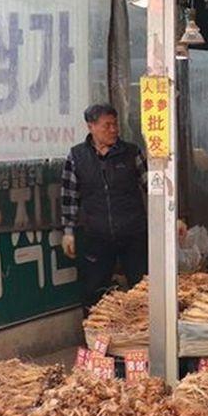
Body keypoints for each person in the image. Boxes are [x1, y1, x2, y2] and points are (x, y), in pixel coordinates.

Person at [61, 104, 149, 309]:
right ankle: (94, 329)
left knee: (143, 288)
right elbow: (69, 196)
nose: (114, 130)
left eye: (115, 124)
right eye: (107, 125)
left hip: (133, 233)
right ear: (90, 126)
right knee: (94, 291)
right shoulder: (77, 156)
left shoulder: (131, 152)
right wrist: (68, 232)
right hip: (96, 235)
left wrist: (172, 216)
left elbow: (153, 188)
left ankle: (146, 329)